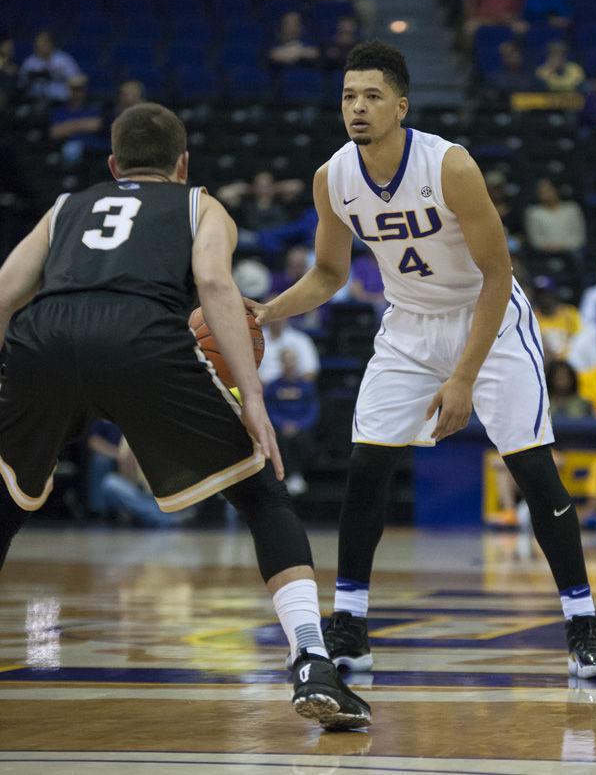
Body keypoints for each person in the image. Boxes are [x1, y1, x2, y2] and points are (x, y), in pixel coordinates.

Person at [248, 40, 596, 680]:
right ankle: (351, 627)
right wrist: (264, 313)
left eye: (370, 96)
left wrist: (464, 378)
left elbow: (499, 274)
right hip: (410, 328)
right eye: (347, 96)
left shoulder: (449, 166)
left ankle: (584, 626)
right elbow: (330, 273)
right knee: (368, 465)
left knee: (533, 471)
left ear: (400, 105)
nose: (357, 108)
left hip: (490, 319)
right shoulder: (332, 177)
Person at [0, 101, 370, 731]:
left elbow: (7, 288)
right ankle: (311, 659)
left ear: (114, 164)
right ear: (183, 163)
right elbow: (216, 286)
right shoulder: (200, 203)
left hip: (47, 333)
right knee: (263, 496)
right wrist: (251, 396)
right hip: (143, 334)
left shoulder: (65, 206)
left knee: (8, 498)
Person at [265, 349, 320, 496]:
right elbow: (269, 410)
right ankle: (287, 476)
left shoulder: (306, 386)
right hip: (280, 428)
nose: (289, 364)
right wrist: (283, 424)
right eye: (286, 360)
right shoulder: (272, 387)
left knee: (302, 440)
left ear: (296, 363)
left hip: (301, 427)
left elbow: (312, 410)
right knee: (280, 440)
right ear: (281, 363)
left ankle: (297, 475)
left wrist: (299, 425)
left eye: (292, 360)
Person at [49, 74, 107, 166]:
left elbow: (96, 125)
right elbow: (55, 132)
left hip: (91, 147)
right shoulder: (60, 110)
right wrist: (83, 124)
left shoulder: (93, 108)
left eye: (80, 89)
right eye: (74, 89)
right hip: (69, 148)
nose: (77, 93)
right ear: (68, 90)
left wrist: (69, 126)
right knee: (71, 149)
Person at [524, 177, 586, 254]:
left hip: (571, 251)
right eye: (541, 192)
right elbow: (535, 240)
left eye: (548, 190)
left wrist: (562, 246)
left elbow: (579, 237)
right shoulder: (534, 212)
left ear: (556, 190)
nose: (545, 195)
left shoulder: (572, 208)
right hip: (544, 253)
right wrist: (551, 247)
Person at [19, 30, 81, 103]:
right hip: (35, 101)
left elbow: (77, 80)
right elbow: (21, 83)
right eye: (39, 42)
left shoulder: (63, 60)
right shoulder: (29, 62)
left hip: (61, 102)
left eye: (45, 42)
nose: (42, 45)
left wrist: (56, 74)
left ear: (51, 43)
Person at [531, 275, 582, 362]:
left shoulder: (570, 313)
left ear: (554, 293)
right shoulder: (531, 318)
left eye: (547, 293)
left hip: (570, 362)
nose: (544, 298)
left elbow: (581, 340)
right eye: (540, 294)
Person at [259, 316, 320, 385]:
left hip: (295, 387)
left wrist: (292, 386)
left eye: (280, 315)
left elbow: (310, 371)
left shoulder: (301, 339)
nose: (276, 319)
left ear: (286, 316)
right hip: (264, 390)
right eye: (273, 315)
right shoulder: (256, 339)